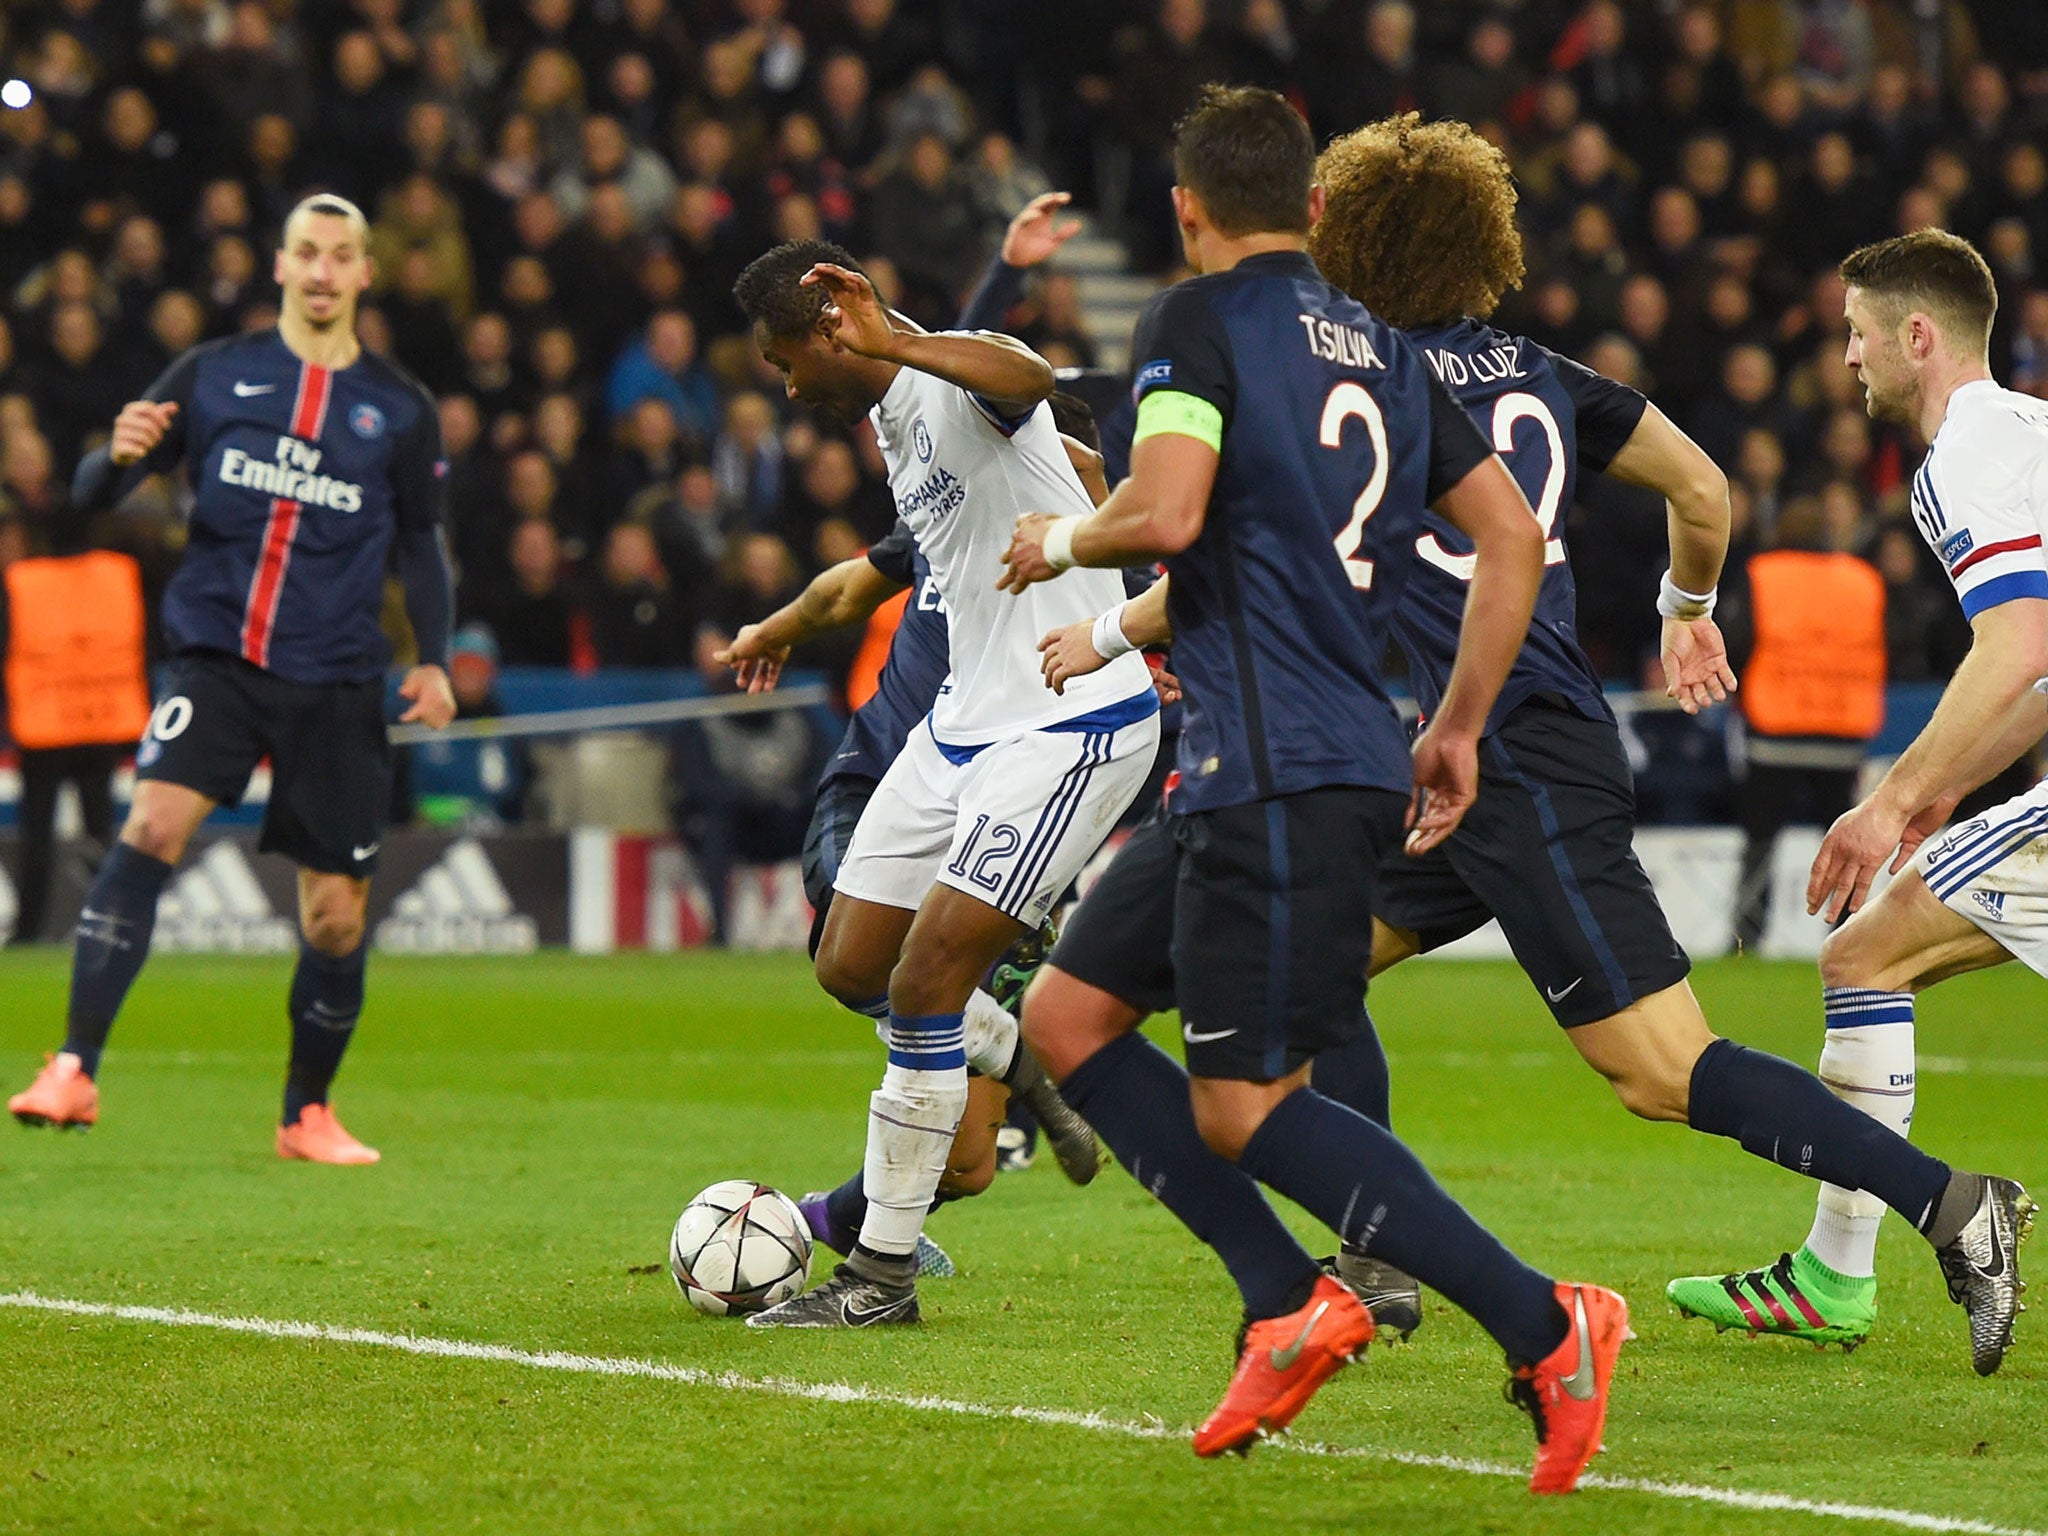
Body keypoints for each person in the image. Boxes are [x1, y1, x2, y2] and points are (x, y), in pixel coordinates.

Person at [1041, 112, 2016, 1376]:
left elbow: (1258, 540)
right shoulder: (1543, 372)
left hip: (1507, 757)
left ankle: (1950, 1204)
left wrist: (1109, 623)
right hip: (1475, 753)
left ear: (1360, 236)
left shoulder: (1363, 376)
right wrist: (1683, 615)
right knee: (1323, 970)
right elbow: (1705, 492)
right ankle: (1376, 1258)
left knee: (1662, 1072)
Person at [1000, 86, 1622, 1491]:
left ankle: (1546, 1321)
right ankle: (1287, 1302)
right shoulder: (1391, 354)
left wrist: (1061, 537)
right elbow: (1514, 540)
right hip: (1310, 753)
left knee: (1242, 1106)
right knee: (1069, 1014)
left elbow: (1163, 512)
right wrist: (1458, 723)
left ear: (1184, 210)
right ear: (1318, 205)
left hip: (1271, 772)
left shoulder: (1193, 323)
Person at [727, 233, 1160, 1329]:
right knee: (848, 962)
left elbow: (1026, 380)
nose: (785, 385)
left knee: (923, 986)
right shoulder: (887, 419)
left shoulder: (948, 384)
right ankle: (1021, 1057)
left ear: (832, 330)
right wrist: (775, 626)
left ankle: (878, 1278)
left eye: (786, 360)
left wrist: (903, 338)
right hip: (962, 721)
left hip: (1068, 723)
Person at [7, 194, 457, 1164]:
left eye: (343, 255)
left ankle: (307, 1114)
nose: (325, 270)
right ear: (282, 267)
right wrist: (109, 458)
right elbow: (93, 498)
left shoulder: (400, 408)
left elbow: (421, 546)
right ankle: (73, 1068)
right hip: (216, 658)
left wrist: (433, 660)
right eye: (308, 253)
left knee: (335, 912)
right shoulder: (215, 375)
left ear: (365, 273)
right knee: (149, 825)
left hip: (338, 678)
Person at [1671, 230, 2037, 1376]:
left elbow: (2017, 642)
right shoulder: (2024, 432)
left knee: (1860, 959)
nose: (1845, 359)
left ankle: (1837, 1274)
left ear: (1914, 338)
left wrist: (1889, 804)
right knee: (1865, 956)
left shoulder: (1967, 451)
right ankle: (1832, 1273)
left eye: (1855, 334)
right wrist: (1944, 787)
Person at [1728, 501, 1886, 950]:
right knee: (1844, 845)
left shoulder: (1763, 573)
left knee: (1760, 842)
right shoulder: (1863, 579)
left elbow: (1738, 639)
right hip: (1843, 731)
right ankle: (1849, 936)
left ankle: (1747, 938)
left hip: (1774, 729)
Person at [1, 513, 151, 943]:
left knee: (37, 838)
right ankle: (110, 924)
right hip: (100, 724)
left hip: (44, 729)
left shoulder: (24, 582)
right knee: (99, 835)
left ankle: (29, 931)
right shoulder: (116, 577)